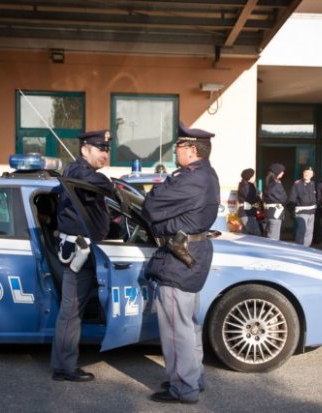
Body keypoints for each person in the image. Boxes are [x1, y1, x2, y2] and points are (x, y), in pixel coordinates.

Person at [143, 121, 220, 404]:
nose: (175, 151)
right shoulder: (207, 174)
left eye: (178, 146)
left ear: (192, 149)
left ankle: (183, 388)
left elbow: (151, 205)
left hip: (179, 257)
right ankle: (193, 378)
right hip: (191, 253)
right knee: (188, 324)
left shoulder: (190, 178)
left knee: (176, 329)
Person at [50, 129, 115, 382]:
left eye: (107, 150)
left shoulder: (85, 172)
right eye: (100, 149)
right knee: (71, 311)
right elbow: (99, 183)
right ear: (85, 149)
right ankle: (64, 367)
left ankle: (63, 364)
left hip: (88, 251)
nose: (105, 154)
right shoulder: (78, 171)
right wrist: (110, 184)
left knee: (73, 310)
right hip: (79, 253)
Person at [288, 165, 317, 246]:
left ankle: (306, 248)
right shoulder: (297, 184)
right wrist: (292, 212)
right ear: (303, 173)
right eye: (306, 172)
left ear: (312, 175)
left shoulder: (313, 184)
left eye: (309, 173)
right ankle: (299, 248)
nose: (307, 174)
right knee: (301, 231)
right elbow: (292, 199)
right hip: (302, 212)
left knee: (309, 232)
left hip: (312, 212)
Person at [262, 163, 287, 240]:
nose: (283, 173)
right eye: (281, 171)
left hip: (269, 212)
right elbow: (283, 197)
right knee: (274, 237)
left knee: (269, 235)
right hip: (275, 212)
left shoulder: (268, 182)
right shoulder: (275, 183)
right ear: (277, 172)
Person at [236, 168, 262, 236]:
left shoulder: (248, 185)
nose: (254, 177)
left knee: (245, 235)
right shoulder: (244, 186)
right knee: (256, 234)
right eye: (253, 176)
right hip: (247, 213)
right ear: (249, 177)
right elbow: (251, 197)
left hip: (248, 212)